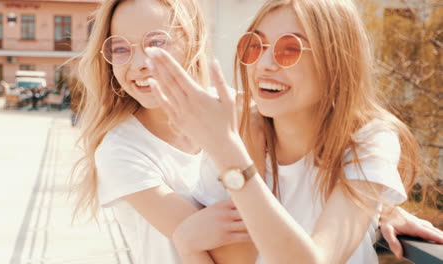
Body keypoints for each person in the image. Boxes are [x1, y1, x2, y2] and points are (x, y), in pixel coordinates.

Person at [145, 0, 443, 263]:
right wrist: (187, 245)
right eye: (254, 46)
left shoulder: (368, 140)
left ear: (335, 61)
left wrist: (378, 209)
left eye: (289, 49)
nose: (263, 64)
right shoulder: (236, 135)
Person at [70, 0, 256, 264]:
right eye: (121, 48)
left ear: (192, 40)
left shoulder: (242, 111)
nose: (140, 64)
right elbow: (222, 254)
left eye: (156, 43)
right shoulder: (120, 150)